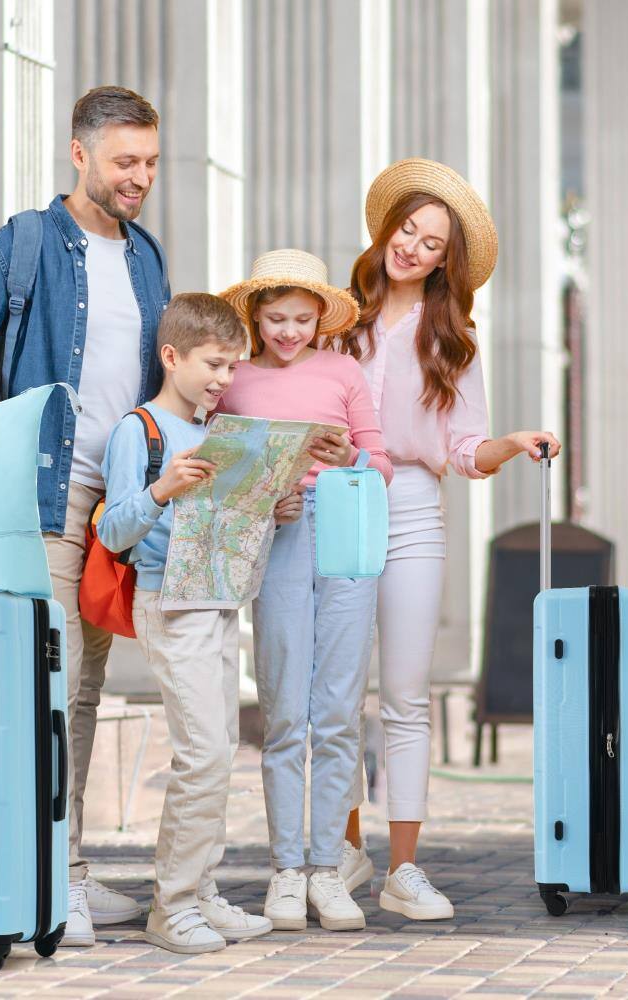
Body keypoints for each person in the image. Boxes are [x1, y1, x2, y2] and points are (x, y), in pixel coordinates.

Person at [0, 85, 169, 946]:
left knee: (89, 689)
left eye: (148, 162)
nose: (138, 178)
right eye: (123, 162)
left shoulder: (146, 257)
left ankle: (67, 863)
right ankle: (50, 877)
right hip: (45, 488)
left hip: (118, 501)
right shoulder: (23, 243)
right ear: (79, 154)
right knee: (52, 687)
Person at [337, 158, 561, 919]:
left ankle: (403, 869)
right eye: (409, 229)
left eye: (432, 242)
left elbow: (467, 453)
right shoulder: (338, 317)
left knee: (403, 694)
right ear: (388, 228)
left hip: (413, 510)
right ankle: (344, 852)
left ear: (444, 262)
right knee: (334, 693)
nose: (413, 247)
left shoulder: (454, 343)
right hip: (336, 505)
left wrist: (512, 441)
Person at [216, 250, 393, 932]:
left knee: (340, 710)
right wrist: (265, 496)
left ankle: (328, 869)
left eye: (301, 319)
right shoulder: (236, 380)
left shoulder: (342, 371)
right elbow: (223, 467)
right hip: (279, 534)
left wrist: (346, 456)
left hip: (345, 528)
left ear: (322, 317)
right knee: (286, 710)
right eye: (275, 319)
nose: (289, 332)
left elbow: (381, 461)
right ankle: (286, 870)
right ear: (255, 318)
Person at [97, 293, 272, 953]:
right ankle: (173, 908)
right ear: (172, 357)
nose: (225, 379)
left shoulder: (214, 435)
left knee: (218, 752)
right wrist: (162, 489)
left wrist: (268, 509)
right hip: (169, 600)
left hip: (220, 599)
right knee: (202, 753)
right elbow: (114, 531)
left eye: (233, 367)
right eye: (215, 364)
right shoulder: (137, 431)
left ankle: (199, 892)